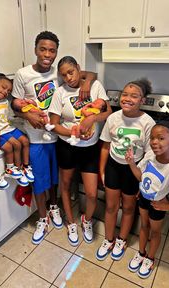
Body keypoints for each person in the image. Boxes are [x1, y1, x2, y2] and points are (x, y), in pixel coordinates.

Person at [12, 31, 97, 245]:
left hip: (57, 137)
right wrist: (27, 114)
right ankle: (42, 218)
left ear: (56, 52)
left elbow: (88, 74)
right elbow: (14, 103)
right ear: (35, 50)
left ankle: (53, 207)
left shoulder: (60, 73)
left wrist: (87, 84)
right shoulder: (23, 74)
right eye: (43, 49)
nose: (47, 54)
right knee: (40, 180)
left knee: (54, 179)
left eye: (52, 50)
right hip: (36, 137)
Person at [48, 56, 112, 246]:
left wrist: (91, 120)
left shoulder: (94, 86)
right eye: (64, 75)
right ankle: (71, 222)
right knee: (65, 186)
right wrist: (73, 132)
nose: (68, 77)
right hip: (67, 146)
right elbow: (54, 124)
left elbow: (107, 112)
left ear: (78, 68)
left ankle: (86, 219)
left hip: (90, 149)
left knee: (92, 194)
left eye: (71, 72)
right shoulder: (60, 93)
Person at [96, 78, 156, 261]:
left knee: (129, 208)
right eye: (125, 94)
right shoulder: (113, 117)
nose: (128, 98)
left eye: (134, 96)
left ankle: (121, 239)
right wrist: (102, 171)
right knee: (111, 206)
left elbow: (149, 156)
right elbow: (106, 146)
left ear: (142, 100)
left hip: (134, 169)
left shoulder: (147, 122)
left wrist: (142, 181)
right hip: (114, 166)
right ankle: (108, 239)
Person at [125, 121, 169, 279]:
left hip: (158, 205)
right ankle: (141, 253)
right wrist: (131, 163)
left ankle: (150, 258)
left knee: (155, 231)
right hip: (143, 199)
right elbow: (141, 176)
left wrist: (167, 206)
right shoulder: (150, 155)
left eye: (161, 138)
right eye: (152, 138)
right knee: (144, 226)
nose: (154, 142)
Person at [0, 76, 34, 186]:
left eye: (8, 91)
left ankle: (25, 167)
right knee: (16, 145)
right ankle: (14, 169)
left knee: (25, 141)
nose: (5, 92)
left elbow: (8, 116)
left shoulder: (5, 102)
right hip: (0, 132)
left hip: (9, 128)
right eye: (3, 87)